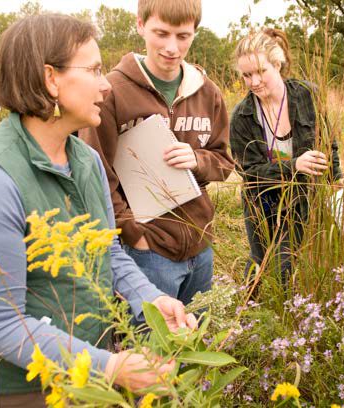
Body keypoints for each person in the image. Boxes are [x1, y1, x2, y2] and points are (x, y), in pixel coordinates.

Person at [0, 14, 196, 406]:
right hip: (25, 385)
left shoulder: (87, 159)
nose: (106, 83)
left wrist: (151, 300)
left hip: (89, 360)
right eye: (94, 69)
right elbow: (1, 323)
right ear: (50, 78)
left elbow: (107, 251)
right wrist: (110, 368)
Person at [81, 0, 233, 311]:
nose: (171, 47)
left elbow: (224, 161)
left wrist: (198, 160)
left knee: (194, 341)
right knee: (152, 348)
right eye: (161, 33)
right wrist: (134, 234)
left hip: (200, 244)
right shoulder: (111, 91)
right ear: (140, 25)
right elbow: (96, 172)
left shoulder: (207, 91)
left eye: (183, 36)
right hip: (148, 252)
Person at [230, 29, 342, 284]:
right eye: (247, 75)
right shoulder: (242, 116)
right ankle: (249, 310)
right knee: (263, 260)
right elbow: (249, 173)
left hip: (305, 195)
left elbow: (329, 141)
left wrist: (336, 180)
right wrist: (295, 166)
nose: (254, 81)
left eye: (261, 72)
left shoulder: (307, 94)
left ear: (277, 64)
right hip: (264, 201)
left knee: (301, 259)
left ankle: (301, 308)